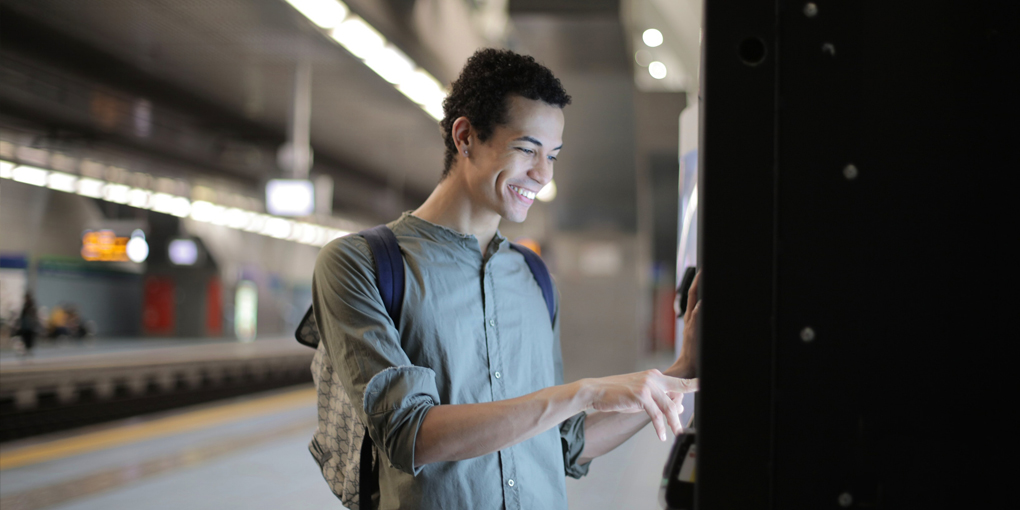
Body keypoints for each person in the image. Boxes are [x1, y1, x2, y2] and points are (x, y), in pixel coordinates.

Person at [311, 48, 701, 510]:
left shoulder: (534, 275)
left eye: (552, 155)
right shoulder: (362, 264)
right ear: (465, 136)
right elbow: (409, 435)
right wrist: (585, 392)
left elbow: (562, 446)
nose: (542, 174)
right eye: (526, 149)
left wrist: (680, 373)